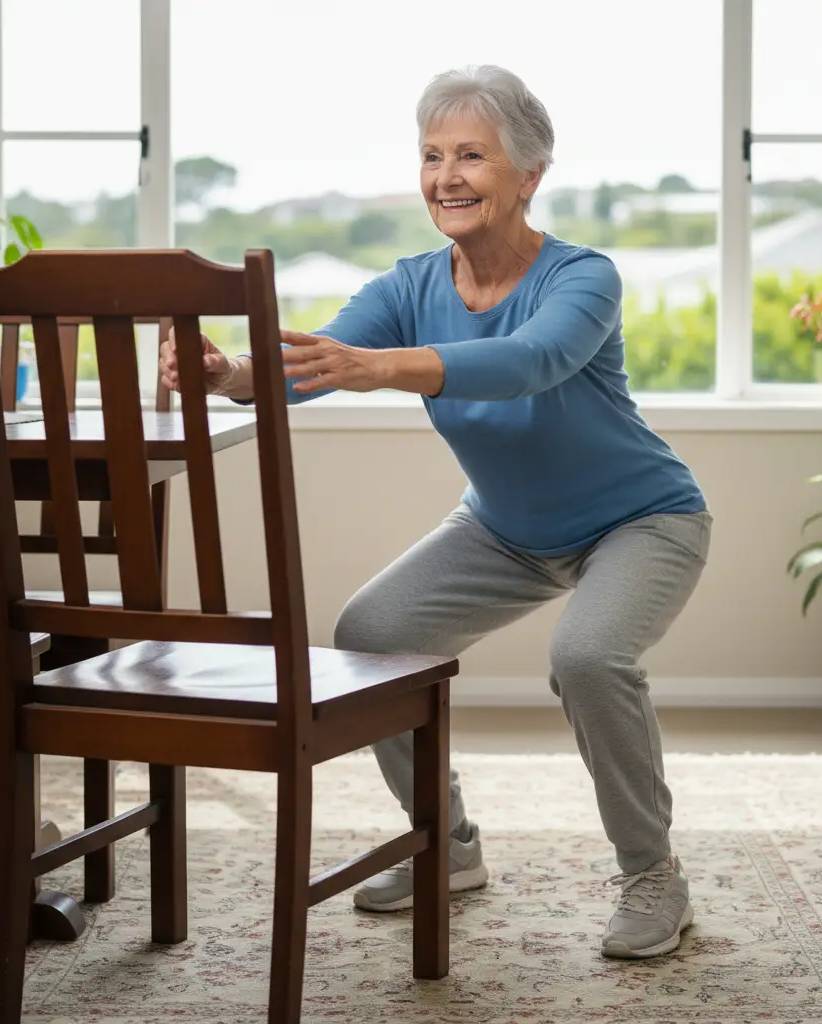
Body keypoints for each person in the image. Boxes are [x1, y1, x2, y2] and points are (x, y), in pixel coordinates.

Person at [159, 64, 712, 960]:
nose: (445, 176)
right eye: (430, 156)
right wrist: (228, 376)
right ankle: (446, 848)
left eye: (471, 156)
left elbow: (530, 361)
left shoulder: (584, 278)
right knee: (372, 626)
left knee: (588, 655)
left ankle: (654, 874)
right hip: (504, 530)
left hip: (642, 521)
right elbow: (313, 366)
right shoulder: (412, 284)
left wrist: (382, 366)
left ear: (529, 175)